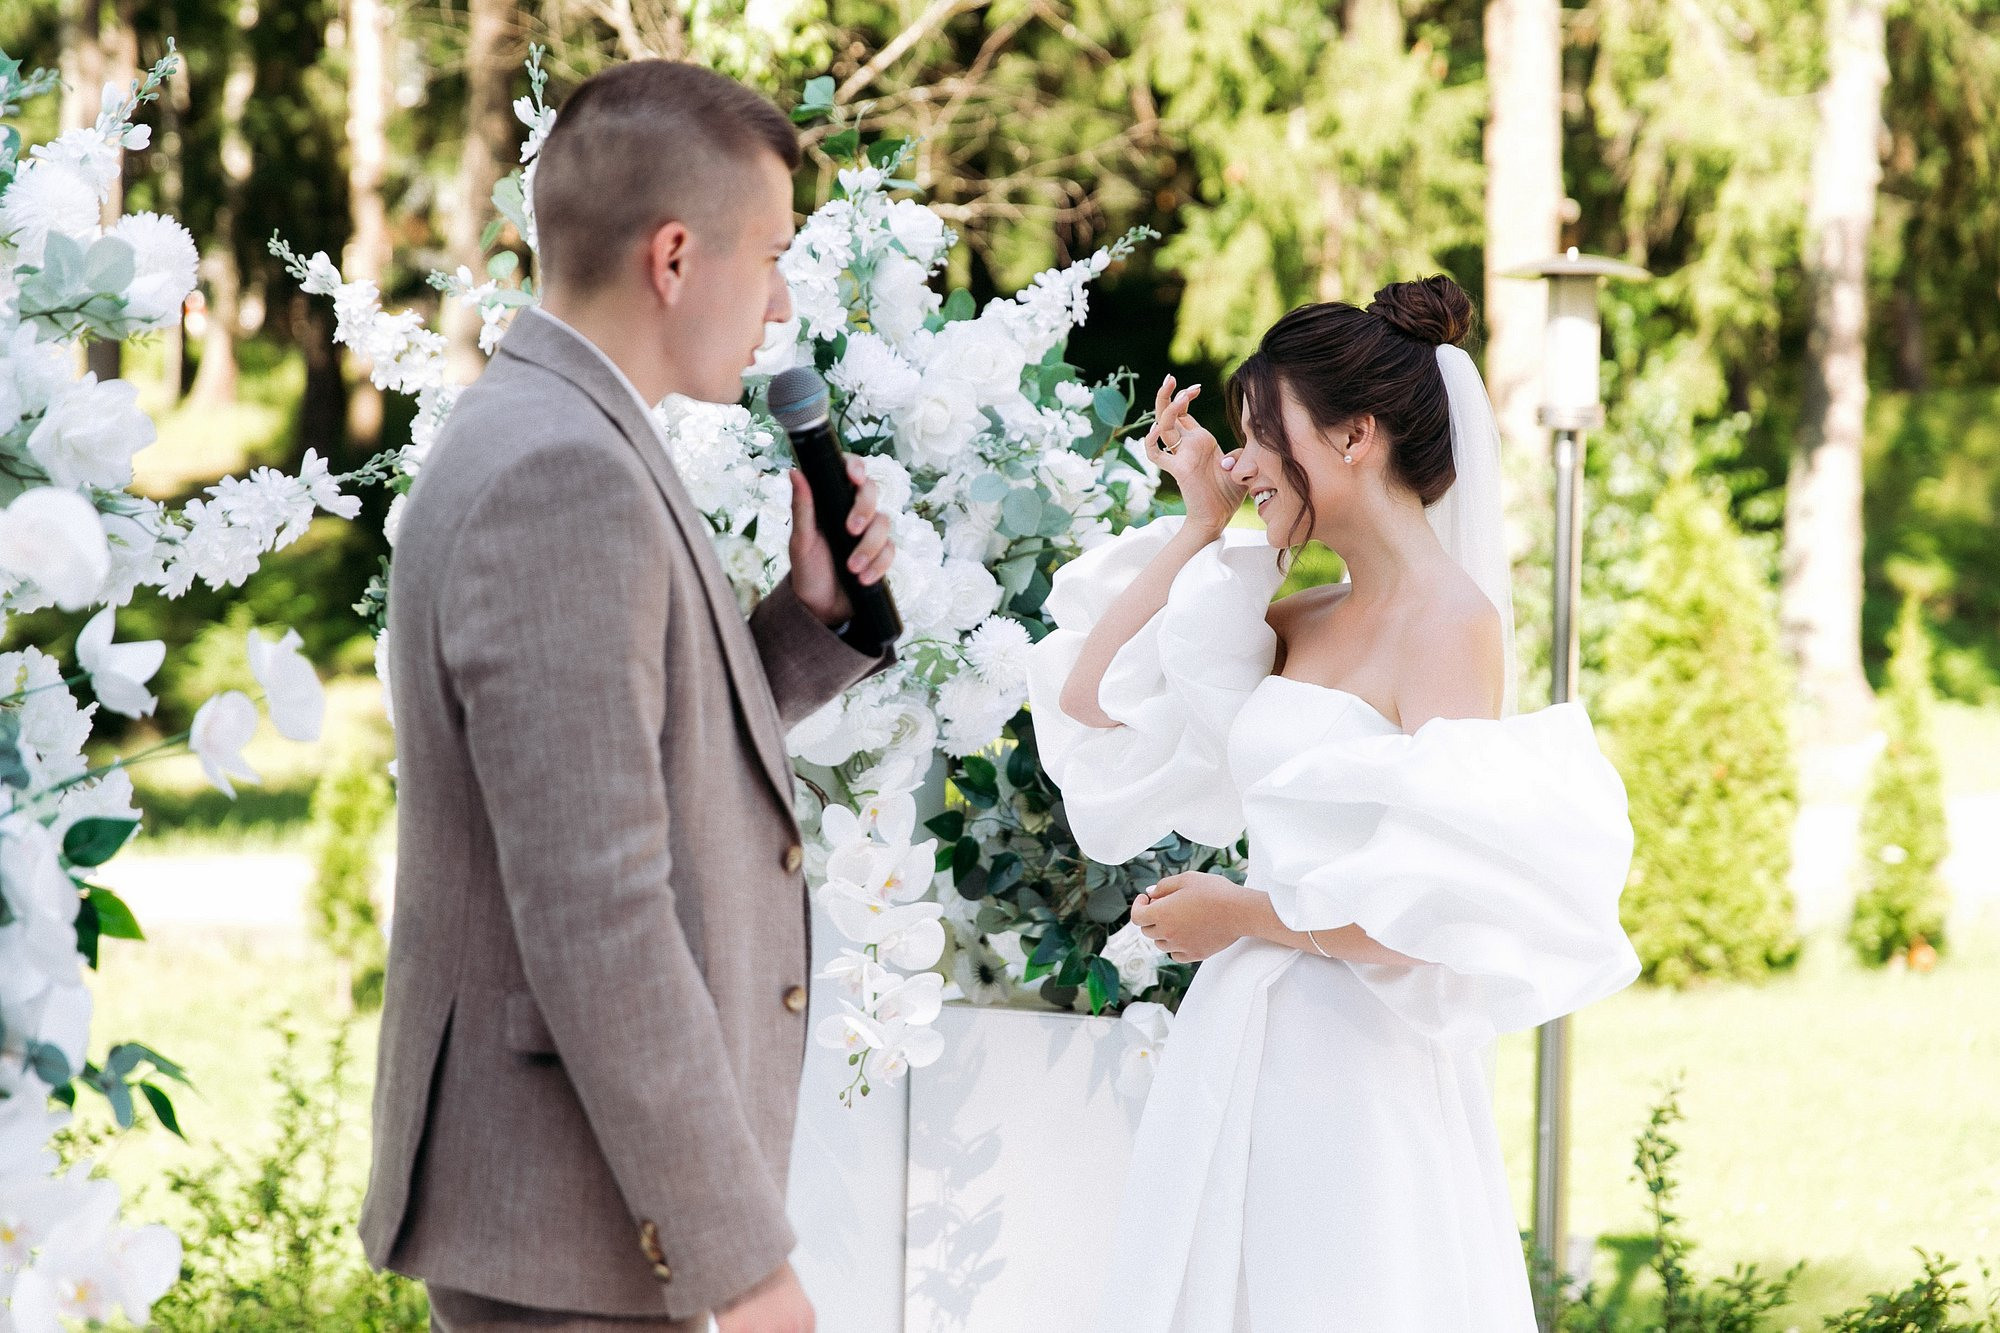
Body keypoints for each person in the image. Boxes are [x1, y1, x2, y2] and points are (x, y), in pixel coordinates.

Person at [361, 61, 896, 1333]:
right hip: (569, 1211)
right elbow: (595, 907)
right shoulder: (562, 471)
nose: (776, 307)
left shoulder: (553, 430)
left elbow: (620, 761)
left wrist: (808, 619)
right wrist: (741, 1262)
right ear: (673, 258)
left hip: (569, 1203)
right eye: (767, 256)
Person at [1025, 276, 1641, 1330]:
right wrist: (1201, 525)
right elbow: (1093, 694)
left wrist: (1243, 916)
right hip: (1248, 1038)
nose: (1240, 457)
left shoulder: (1450, 625)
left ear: (1354, 435)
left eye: (1264, 435)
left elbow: (1431, 909)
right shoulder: (1301, 613)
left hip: (1357, 1061)